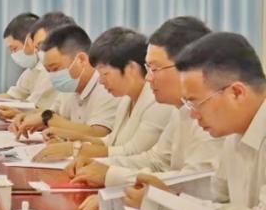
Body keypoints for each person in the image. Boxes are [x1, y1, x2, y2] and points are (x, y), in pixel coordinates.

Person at [68, 17, 220, 195]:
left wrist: (110, 174)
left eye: (154, 69)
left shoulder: (213, 117)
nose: (148, 78)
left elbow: (190, 186)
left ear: (189, 67)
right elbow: (156, 161)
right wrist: (100, 165)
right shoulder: (183, 110)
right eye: (148, 68)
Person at [139, 32, 266, 210]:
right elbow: (219, 199)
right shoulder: (233, 133)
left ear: (237, 93)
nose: (193, 114)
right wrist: (169, 198)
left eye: (195, 102)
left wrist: (174, 203)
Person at [38, 28, 172, 161]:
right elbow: (111, 141)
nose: (101, 81)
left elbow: (132, 153)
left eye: (105, 74)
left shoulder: (156, 101)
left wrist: (75, 149)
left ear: (131, 69)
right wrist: (70, 136)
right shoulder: (126, 99)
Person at [10, 24, 120, 144]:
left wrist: (46, 119)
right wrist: (26, 118)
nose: (52, 76)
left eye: (55, 69)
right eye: (48, 71)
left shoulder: (107, 86)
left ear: (81, 60)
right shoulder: (69, 88)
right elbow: (53, 115)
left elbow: (98, 134)